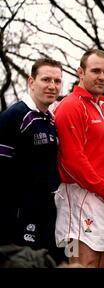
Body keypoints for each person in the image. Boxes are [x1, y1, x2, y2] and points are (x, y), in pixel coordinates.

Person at [53, 48, 104, 268]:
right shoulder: (70, 106)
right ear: (80, 73)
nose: (102, 77)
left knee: (103, 261)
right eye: (95, 71)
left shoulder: (103, 108)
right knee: (83, 263)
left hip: (103, 197)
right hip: (78, 196)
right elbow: (72, 160)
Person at [0, 58, 63, 261]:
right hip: (18, 217)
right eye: (46, 79)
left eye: (57, 81)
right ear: (31, 82)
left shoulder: (51, 119)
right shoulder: (14, 116)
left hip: (46, 212)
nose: (52, 86)